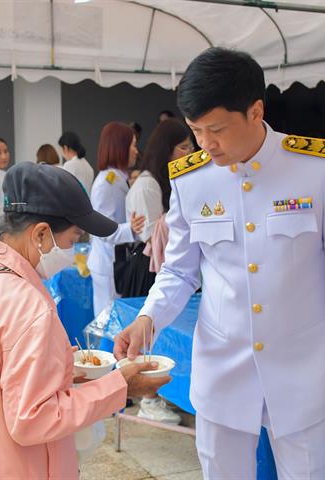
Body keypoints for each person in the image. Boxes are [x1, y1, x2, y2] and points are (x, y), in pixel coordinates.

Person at [114, 47, 325, 479]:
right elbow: (179, 269)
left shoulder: (317, 168)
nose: (205, 144)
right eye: (196, 131)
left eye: (216, 129)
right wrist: (148, 318)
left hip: (301, 370)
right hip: (222, 369)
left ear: (256, 111)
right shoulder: (191, 178)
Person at [0, 162, 170, 479]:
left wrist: (55, 364)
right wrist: (120, 386)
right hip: (15, 467)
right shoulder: (30, 307)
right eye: (72, 241)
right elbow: (33, 418)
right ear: (41, 233)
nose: (73, 250)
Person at [125, 118, 193, 425]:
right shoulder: (149, 184)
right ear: (167, 149)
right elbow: (148, 232)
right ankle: (148, 399)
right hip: (151, 264)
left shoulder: (170, 180)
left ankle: (158, 393)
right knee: (152, 333)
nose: (189, 152)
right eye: (183, 147)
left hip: (163, 261)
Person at [88, 122, 145, 316]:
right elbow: (102, 228)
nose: (136, 151)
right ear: (120, 147)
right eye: (133, 145)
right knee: (107, 319)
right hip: (109, 262)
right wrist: (132, 229)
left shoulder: (117, 178)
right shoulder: (108, 182)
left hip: (115, 259)